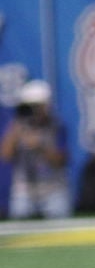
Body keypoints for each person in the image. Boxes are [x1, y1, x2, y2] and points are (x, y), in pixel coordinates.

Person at [0, 80, 71, 220]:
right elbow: (5, 156)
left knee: (60, 228)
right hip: (24, 189)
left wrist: (40, 146)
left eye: (37, 106)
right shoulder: (17, 126)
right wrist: (15, 132)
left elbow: (60, 161)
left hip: (53, 188)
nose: (34, 111)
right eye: (30, 106)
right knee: (20, 226)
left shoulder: (56, 126)